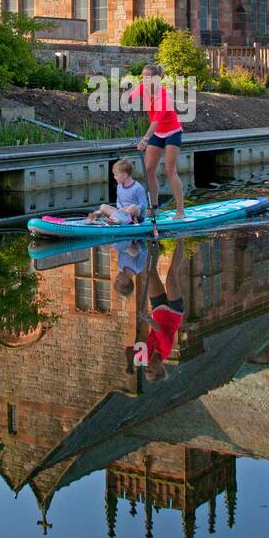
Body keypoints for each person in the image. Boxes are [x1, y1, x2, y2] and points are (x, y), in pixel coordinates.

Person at [132, 63, 185, 221]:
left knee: (170, 170)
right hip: (158, 133)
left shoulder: (163, 96)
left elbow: (155, 122)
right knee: (148, 169)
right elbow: (128, 97)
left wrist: (144, 140)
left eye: (147, 77)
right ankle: (154, 208)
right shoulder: (143, 88)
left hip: (172, 132)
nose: (144, 80)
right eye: (143, 77)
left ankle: (180, 210)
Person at [139, 237, 186, 382]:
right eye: (150, 370)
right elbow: (157, 329)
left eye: (146, 370)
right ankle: (181, 238)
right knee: (171, 276)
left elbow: (138, 342)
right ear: (160, 369)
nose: (147, 367)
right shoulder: (165, 349)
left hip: (158, 311)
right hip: (174, 313)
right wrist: (147, 319)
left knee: (149, 272)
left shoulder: (143, 356)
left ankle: (153, 242)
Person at [85, 158, 148, 225]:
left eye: (116, 175)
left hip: (136, 216)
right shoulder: (119, 186)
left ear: (124, 175)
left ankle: (115, 220)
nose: (114, 177)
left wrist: (127, 209)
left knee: (133, 207)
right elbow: (118, 201)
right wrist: (120, 208)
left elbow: (143, 205)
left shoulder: (138, 188)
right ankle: (117, 219)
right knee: (102, 207)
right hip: (121, 213)